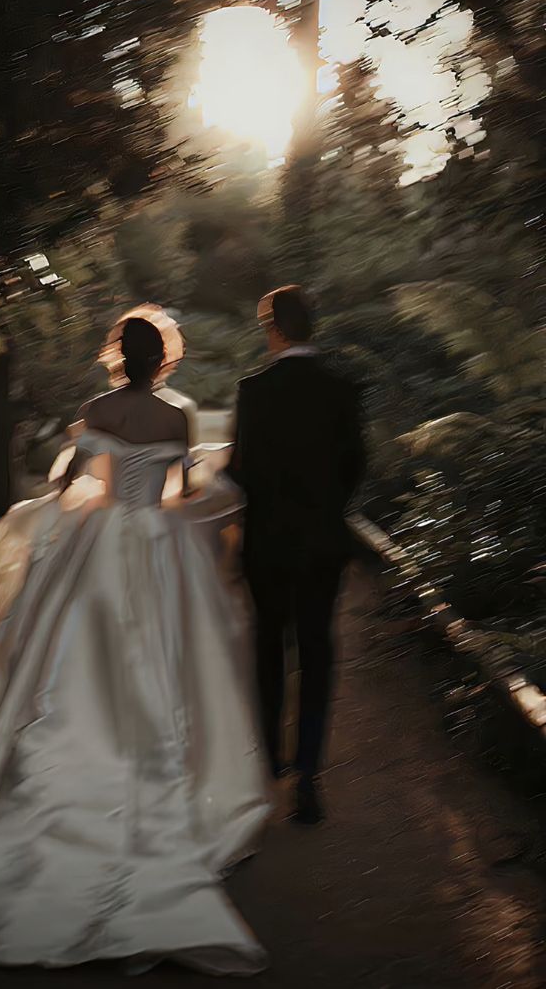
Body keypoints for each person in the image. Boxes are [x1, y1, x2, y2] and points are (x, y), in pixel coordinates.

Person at [0, 317, 270, 976]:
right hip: (156, 549)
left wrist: (84, 477)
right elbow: (179, 490)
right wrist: (191, 475)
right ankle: (148, 782)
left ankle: (50, 797)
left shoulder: (96, 407)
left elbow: (77, 474)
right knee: (160, 666)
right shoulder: (173, 416)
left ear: (117, 357)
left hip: (94, 548)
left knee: (61, 662)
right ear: (162, 361)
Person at [229, 286, 365, 825]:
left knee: (269, 648)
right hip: (323, 542)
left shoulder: (253, 391)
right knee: (317, 654)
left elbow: (243, 471)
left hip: (268, 543)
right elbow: (356, 463)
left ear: (274, 329)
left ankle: (271, 764)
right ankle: (309, 774)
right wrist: (325, 507)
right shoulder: (343, 388)